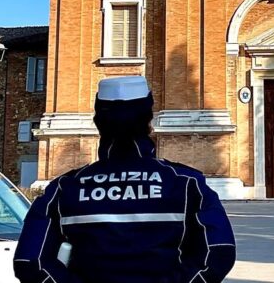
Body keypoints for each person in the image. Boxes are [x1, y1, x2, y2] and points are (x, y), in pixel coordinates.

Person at [13, 75, 236, 283]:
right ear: (149, 120)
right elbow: (218, 251)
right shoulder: (186, 183)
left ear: (98, 122)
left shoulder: (64, 188)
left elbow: (30, 262)